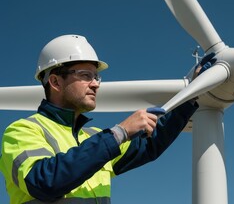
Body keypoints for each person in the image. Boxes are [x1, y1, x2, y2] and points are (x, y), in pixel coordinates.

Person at [0, 34, 216, 203]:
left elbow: (151, 144)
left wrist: (192, 93)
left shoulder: (93, 138)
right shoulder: (22, 131)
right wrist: (120, 133)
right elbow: (43, 181)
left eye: (96, 77)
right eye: (85, 75)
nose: (96, 84)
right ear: (55, 82)